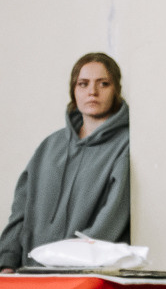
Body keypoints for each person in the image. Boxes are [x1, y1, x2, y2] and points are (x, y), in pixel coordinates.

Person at [0, 52, 131, 273]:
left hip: (86, 277)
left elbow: (111, 218)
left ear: (116, 90)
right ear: (73, 90)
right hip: (30, 275)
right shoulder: (49, 146)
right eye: (83, 84)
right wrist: (6, 261)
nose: (92, 91)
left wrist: (72, 265)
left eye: (103, 83)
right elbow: (20, 212)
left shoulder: (127, 145)